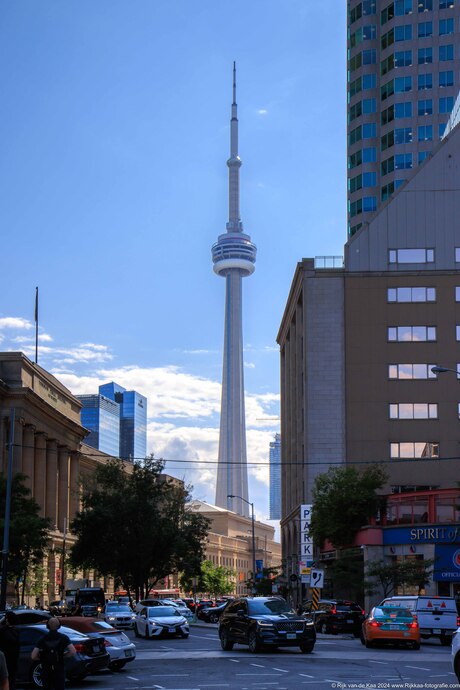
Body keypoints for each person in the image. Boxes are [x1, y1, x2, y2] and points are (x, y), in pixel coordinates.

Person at [31, 618, 76, 690]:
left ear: (47, 626)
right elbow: (73, 652)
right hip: (59, 668)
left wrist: (43, 658)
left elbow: (33, 656)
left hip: (46, 668)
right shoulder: (64, 638)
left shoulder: (42, 639)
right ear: (59, 626)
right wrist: (63, 655)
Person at [0, 612, 19, 690]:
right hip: (13, 661)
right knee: (11, 681)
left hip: (5, 659)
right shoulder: (16, 631)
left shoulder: (4, 631)